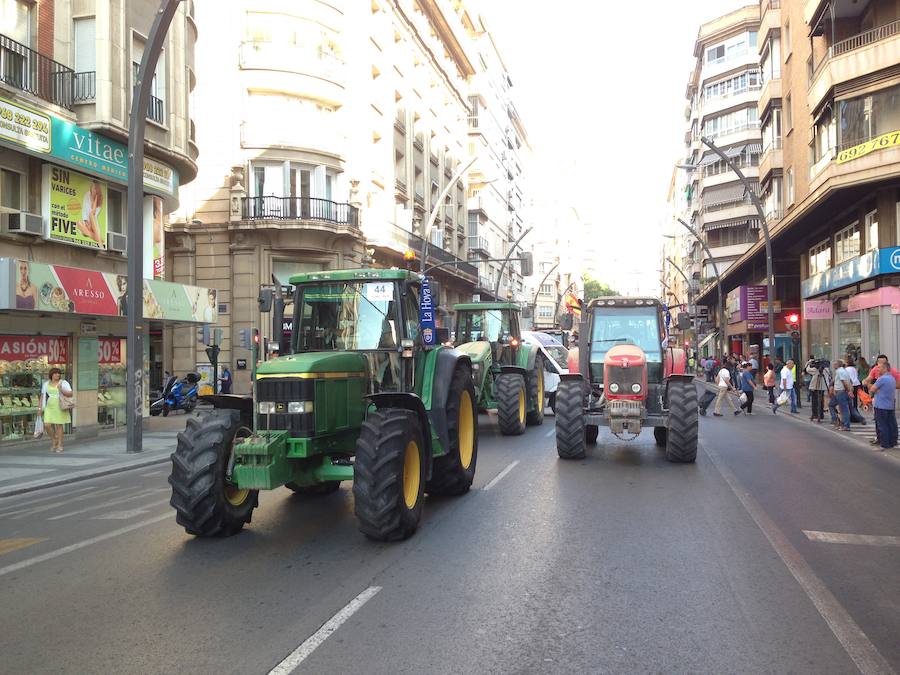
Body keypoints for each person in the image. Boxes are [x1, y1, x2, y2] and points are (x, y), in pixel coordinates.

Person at [39, 367, 73, 453]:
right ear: (51, 375)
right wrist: (40, 408)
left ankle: (60, 445)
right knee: (47, 424)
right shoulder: (46, 384)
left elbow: (70, 393)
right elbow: (42, 396)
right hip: (49, 406)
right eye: (55, 373)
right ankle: (54, 439)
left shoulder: (63, 383)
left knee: (59, 426)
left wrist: (61, 389)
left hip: (59, 405)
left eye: (59, 373)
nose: (57, 375)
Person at [870, 361, 898, 450]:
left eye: (879, 368)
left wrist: (871, 386)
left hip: (881, 405)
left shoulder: (881, 379)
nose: (878, 369)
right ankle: (892, 442)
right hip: (890, 405)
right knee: (891, 424)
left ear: (885, 368)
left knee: (882, 425)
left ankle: (884, 444)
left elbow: (872, 389)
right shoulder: (892, 378)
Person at [828, 359, 853, 431]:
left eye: (834, 364)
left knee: (844, 409)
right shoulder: (844, 371)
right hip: (840, 392)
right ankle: (837, 420)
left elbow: (844, 382)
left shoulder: (840, 371)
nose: (833, 365)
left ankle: (846, 425)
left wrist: (848, 390)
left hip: (841, 392)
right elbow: (850, 381)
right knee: (832, 404)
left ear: (837, 365)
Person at [806, 357, 830, 423]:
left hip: (815, 387)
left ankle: (815, 414)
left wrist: (809, 363)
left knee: (814, 401)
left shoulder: (815, 369)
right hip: (823, 387)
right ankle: (821, 414)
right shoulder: (826, 369)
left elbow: (808, 370)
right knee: (821, 401)